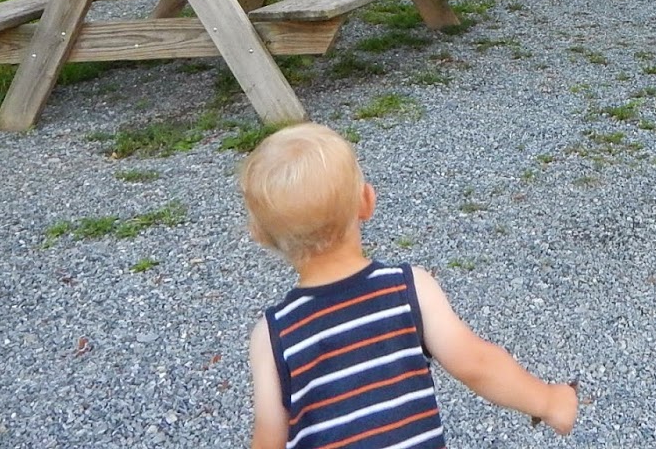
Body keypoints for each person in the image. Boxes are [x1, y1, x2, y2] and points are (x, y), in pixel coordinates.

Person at [240, 123, 578, 449]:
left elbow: (269, 439)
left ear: (260, 235)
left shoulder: (272, 337)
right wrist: (548, 400)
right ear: (366, 202)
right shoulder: (408, 289)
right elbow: (476, 362)